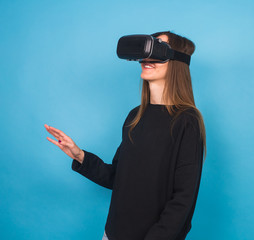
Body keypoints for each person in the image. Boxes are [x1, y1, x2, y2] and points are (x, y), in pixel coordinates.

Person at [45, 31, 207, 240]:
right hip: (112, 233)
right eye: (146, 52)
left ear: (177, 61)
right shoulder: (135, 116)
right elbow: (118, 178)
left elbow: (183, 200)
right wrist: (79, 155)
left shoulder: (187, 121)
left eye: (157, 51)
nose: (147, 60)